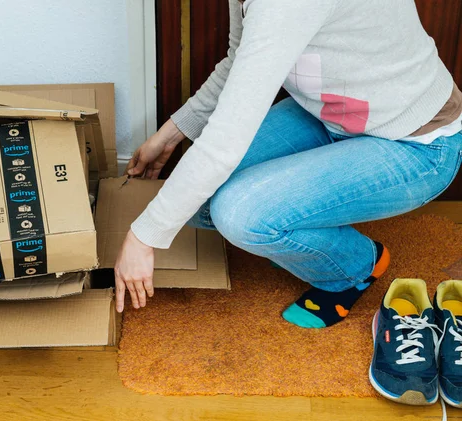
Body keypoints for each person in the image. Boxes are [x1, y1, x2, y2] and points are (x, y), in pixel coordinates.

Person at [114, 0, 462, 330]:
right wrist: (171, 133)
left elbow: (224, 143)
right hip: (335, 116)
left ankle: (354, 269)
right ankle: (297, 222)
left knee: (239, 215)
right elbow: (239, 61)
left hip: (416, 143)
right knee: (198, 201)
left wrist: (142, 237)